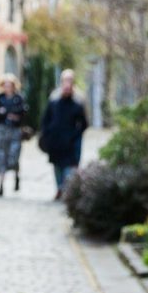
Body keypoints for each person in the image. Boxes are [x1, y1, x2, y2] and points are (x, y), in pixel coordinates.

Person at [40, 69, 88, 200]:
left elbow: (83, 123)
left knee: (69, 168)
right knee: (57, 167)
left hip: (71, 141)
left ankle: (66, 190)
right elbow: (46, 119)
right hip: (56, 141)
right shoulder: (54, 100)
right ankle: (60, 188)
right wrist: (46, 134)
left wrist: (75, 135)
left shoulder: (78, 101)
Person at [0, 73, 27, 197]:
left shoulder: (19, 98)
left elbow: (22, 113)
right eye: (5, 85)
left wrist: (6, 112)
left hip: (14, 131)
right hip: (1, 131)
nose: (7, 88)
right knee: (1, 157)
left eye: (9, 85)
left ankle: (16, 175)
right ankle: (1, 185)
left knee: (13, 156)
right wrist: (8, 113)